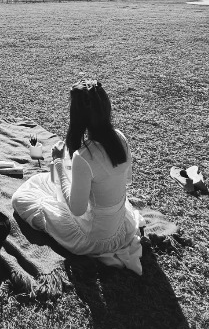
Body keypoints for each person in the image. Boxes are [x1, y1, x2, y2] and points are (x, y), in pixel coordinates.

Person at [12, 79, 144, 274]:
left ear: (77, 115)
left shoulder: (84, 156)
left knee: (21, 198)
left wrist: (58, 162)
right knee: (43, 181)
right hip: (121, 228)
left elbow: (77, 209)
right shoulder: (120, 138)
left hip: (94, 240)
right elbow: (127, 180)